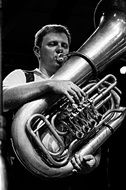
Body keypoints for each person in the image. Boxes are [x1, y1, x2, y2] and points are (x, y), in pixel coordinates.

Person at [3, 24, 101, 190]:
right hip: (23, 174)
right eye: (52, 44)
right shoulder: (22, 76)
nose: (60, 50)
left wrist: (93, 161)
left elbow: (92, 135)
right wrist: (49, 85)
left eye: (64, 45)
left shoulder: (78, 88)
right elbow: (3, 98)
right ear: (37, 51)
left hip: (66, 176)